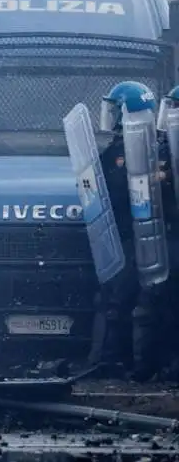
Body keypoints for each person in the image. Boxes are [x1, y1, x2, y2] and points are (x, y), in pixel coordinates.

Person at [91, 81, 170, 381]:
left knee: (121, 303)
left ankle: (115, 364)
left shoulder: (125, 152)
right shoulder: (157, 146)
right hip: (142, 237)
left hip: (131, 237)